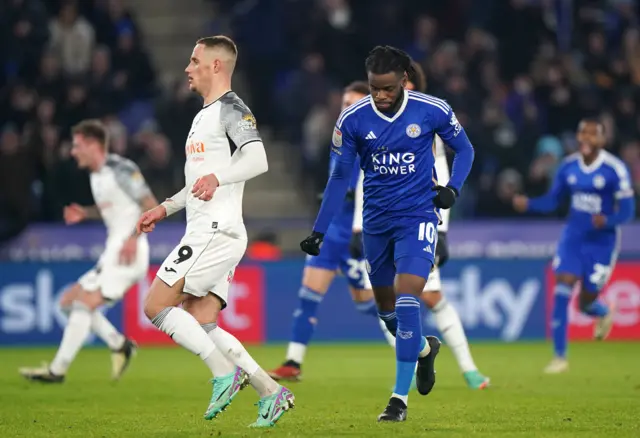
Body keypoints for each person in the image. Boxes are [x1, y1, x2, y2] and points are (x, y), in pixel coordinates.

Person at [300, 46, 475, 422]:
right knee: (387, 313)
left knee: (409, 296)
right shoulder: (352, 120)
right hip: (375, 225)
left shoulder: (433, 109)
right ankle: (426, 352)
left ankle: (398, 399)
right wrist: (319, 230)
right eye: (375, 87)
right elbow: (339, 179)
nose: (381, 95)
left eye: (388, 88)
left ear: (404, 81)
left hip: (418, 219)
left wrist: (453, 189)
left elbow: (466, 150)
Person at [135, 35, 294, 428]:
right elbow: (198, 183)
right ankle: (272, 393)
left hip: (215, 230)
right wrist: (164, 207)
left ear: (216, 66)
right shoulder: (203, 115)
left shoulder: (231, 109)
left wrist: (218, 177)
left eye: (194, 60)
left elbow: (258, 159)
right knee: (202, 321)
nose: (187, 68)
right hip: (213, 229)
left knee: (155, 306)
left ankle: (224, 373)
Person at [351, 61, 489, 390]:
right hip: (380, 222)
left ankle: (468, 370)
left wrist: (441, 230)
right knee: (376, 299)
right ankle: (418, 359)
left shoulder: (427, 123)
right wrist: (359, 225)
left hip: (417, 221)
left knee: (430, 297)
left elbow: (440, 176)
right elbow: (364, 179)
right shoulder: (372, 120)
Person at [19, 119, 156, 382]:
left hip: (129, 251)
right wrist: (86, 212)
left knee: (83, 304)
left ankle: (57, 371)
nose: (73, 152)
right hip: (113, 250)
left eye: (77, 145)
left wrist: (132, 237)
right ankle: (118, 343)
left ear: (93, 145)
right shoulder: (96, 176)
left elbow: (151, 205)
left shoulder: (121, 168)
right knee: (67, 303)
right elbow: (115, 208)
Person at [513, 119, 635, 374]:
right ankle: (560, 357)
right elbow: (553, 201)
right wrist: (530, 204)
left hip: (602, 242)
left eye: (593, 134)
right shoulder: (568, 167)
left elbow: (628, 210)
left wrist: (608, 220)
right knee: (562, 284)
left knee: (585, 301)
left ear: (602, 140)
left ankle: (600, 310)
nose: (587, 138)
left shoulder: (615, 169)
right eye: (583, 133)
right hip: (574, 237)